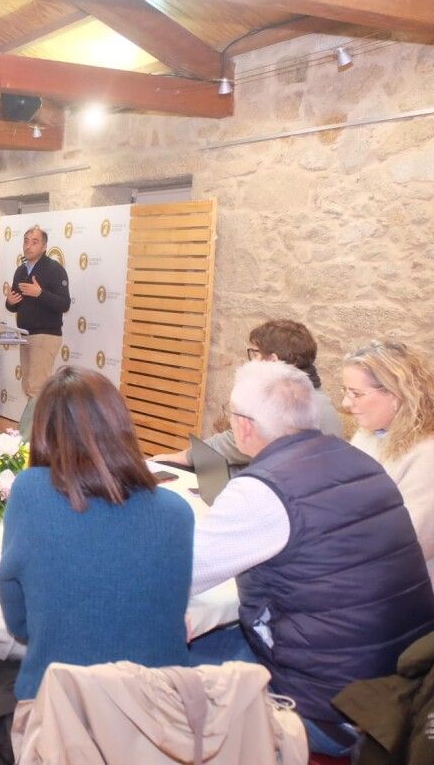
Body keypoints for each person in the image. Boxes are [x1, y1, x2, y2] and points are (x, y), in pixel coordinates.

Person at [189, 359, 434, 757]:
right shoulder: (363, 463)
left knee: (156, 651)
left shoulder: (262, 491)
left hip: (327, 710)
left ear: (244, 426)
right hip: (396, 688)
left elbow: (180, 574)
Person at [0, 367, 193, 764]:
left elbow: (20, 623)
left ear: (44, 432)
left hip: (63, 725)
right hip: (159, 725)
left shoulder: (30, 494)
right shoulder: (178, 512)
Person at [158, 318, 344, 468]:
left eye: (255, 353)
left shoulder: (285, 404)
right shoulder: (315, 397)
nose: (251, 360)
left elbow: (233, 445)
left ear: (272, 360)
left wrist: (178, 458)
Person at [343, 340, 434, 581]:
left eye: (356, 394)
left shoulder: (427, 454)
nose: (345, 403)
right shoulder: (367, 434)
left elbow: (411, 543)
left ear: (395, 395)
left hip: (403, 585)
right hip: (359, 564)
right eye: (346, 392)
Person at [3, 227, 70, 406]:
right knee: (28, 386)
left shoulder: (55, 270)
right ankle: (38, 430)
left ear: (44, 246)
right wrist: (9, 301)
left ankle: (33, 432)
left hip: (45, 336)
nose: (28, 246)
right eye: (26, 241)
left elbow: (64, 304)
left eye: (34, 242)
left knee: (37, 388)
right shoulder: (21, 271)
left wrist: (39, 293)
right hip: (25, 334)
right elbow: (13, 306)